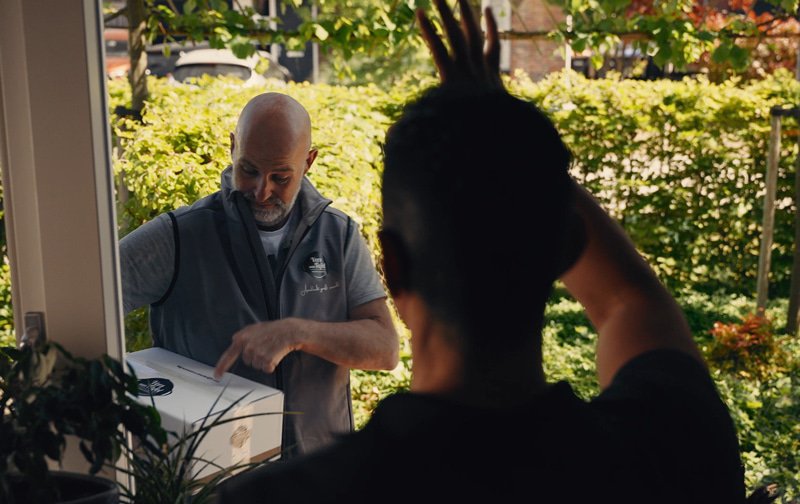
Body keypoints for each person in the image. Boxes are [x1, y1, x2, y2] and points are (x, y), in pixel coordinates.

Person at [215, 0, 746, 502]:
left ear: (390, 267)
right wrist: (505, 134)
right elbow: (630, 301)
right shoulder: (673, 446)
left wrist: (491, 121)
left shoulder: (279, 498)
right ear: (567, 246)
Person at [119, 92, 399, 458]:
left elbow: (385, 349)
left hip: (318, 478)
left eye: (280, 176)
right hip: (213, 479)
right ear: (233, 148)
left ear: (309, 162)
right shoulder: (180, 235)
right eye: (248, 170)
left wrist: (300, 333)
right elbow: (81, 302)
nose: (261, 191)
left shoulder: (338, 235)